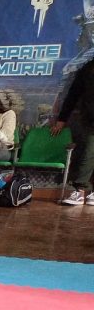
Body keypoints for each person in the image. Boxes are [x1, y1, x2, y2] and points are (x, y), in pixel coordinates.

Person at [53, 54, 94, 206]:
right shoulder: (88, 68)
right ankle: (80, 191)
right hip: (90, 120)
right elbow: (73, 94)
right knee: (87, 152)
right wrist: (62, 118)